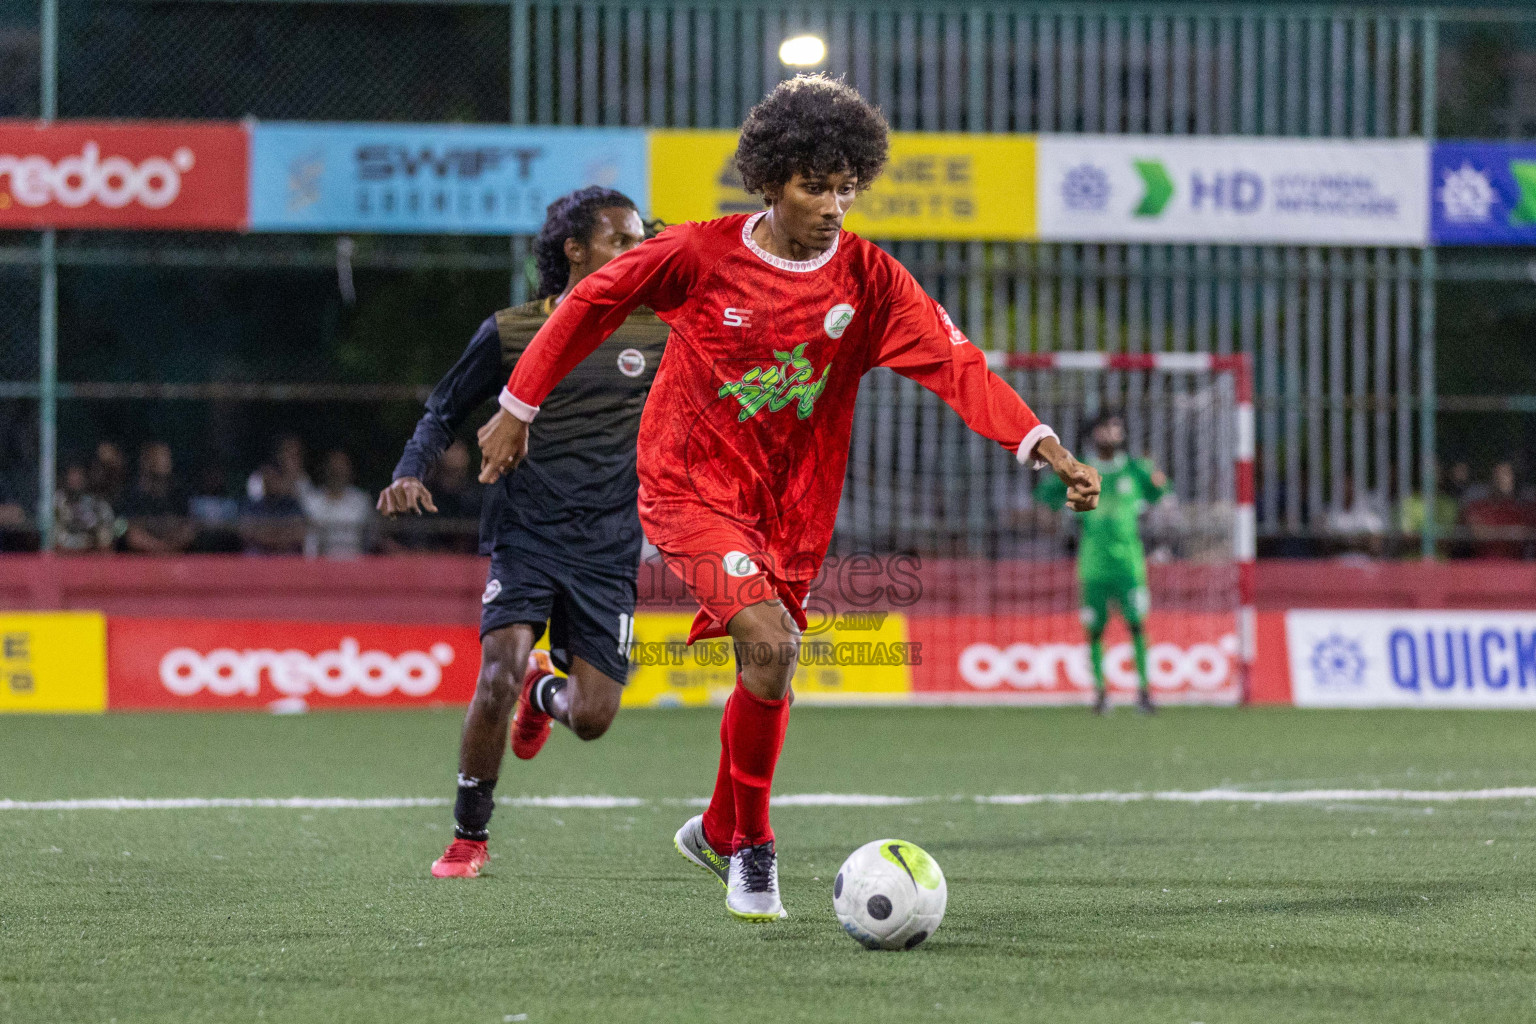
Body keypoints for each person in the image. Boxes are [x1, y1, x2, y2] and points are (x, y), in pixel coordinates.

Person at [476, 76, 1100, 921]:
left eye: (847, 187)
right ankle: (755, 851)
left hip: (794, 505)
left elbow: (958, 367)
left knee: (764, 669)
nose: (835, 205)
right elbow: (592, 301)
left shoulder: (871, 279)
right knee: (771, 647)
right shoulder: (698, 254)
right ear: (771, 182)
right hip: (688, 485)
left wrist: (1042, 443)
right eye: (816, 186)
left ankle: (716, 829)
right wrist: (518, 407)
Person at [377, 186, 666, 880]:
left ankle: (545, 693)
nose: (633, 253)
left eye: (638, 241)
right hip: (527, 533)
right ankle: (467, 838)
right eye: (619, 241)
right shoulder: (510, 331)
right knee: (496, 671)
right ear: (575, 251)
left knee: (593, 716)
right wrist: (411, 469)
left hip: (609, 545)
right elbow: (442, 410)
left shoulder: (658, 332)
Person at [1034, 412, 1165, 715]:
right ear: (1094, 433)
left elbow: (1160, 492)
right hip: (1093, 563)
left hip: (1130, 564)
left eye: (1117, 427)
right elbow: (1045, 497)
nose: (1112, 433)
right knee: (1094, 629)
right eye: (1106, 427)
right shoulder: (1078, 469)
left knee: (1136, 624)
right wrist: (1061, 513)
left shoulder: (1136, 469)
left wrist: (1157, 487)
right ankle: (1100, 693)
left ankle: (1145, 691)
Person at [120, 441, 195, 554]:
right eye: (157, 456)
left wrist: (169, 547)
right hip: (141, 557)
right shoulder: (132, 495)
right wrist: (158, 548)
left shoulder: (178, 494)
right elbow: (127, 531)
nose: (163, 461)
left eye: (165, 456)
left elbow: (188, 528)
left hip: (175, 555)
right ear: (145, 462)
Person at [302, 450, 374, 558]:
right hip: (320, 565)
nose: (337, 473)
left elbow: (371, 537)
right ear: (326, 470)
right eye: (333, 469)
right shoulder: (311, 501)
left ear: (349, 471)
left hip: (354, 564)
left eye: (341, 469)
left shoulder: (361, 500)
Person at [239, 464, 306, 555]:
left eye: (272, 478)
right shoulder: (254, 505)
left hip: (286, 551)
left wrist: (278, 540)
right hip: (260, 552)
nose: (269, 483)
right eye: (266, 479)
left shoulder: (291, 504)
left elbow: (299, 532)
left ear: (280, 480)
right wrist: (269, 539)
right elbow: (246, 532)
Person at [54, 461, 116, 552]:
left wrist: (94, 537)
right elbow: (53, 530)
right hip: (65, 549)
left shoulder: (96, 501)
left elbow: (108, 527)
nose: (75, 479)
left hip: (92, 548)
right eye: (72, 475)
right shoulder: (58, 500)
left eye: (78, 474)